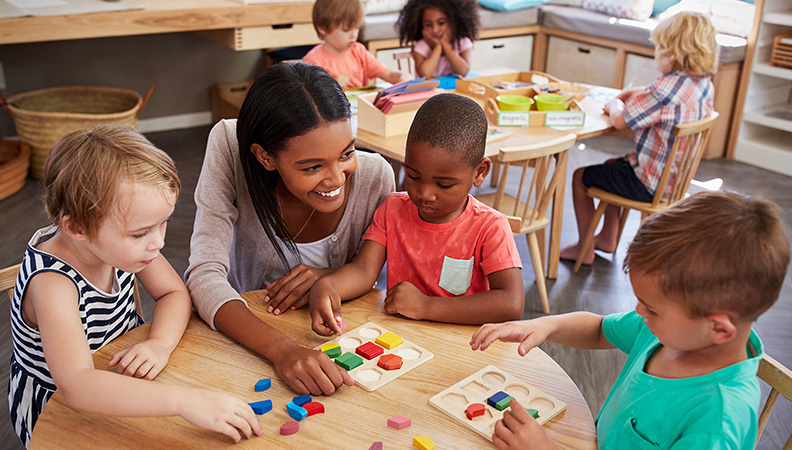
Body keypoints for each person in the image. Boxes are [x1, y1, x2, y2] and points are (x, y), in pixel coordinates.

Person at [471, 191, 791, 449]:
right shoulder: (668, 333)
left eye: (651, 308)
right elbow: (600, 330)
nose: (640, 312)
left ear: (719, 328)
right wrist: (545, 325)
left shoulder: (715, 426)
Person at [8, 124, 262, 448]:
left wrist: (159, 343)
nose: (158, 242)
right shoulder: (52, 284)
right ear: (77, 228)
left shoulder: (117, 244)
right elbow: (77, 385)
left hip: (123, 372)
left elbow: (173, 293)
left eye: (163, 223)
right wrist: (184, 401)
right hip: (58, 409)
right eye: (141, 233)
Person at [185, 62, 395, 395]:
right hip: (248, 336)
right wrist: (282, 351)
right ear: (265, 157)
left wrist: (329, 275)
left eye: (347, 153)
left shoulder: (375, 177)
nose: (337, 179)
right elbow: (204, 275)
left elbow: (376, 280)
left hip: (337, 345)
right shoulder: (230, 145)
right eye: (312, 166)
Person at [309, 93, 524, 336]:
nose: (425, 194)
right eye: (413, 177)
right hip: (402, 338)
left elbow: (511, 303)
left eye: (443, 185)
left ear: (480, 172)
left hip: (462, 344)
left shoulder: (490, 227)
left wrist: (426, 306)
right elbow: (364, 271)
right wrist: (328, 285)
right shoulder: (393, 209)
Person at [560, 11, 718, 265]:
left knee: (581, 177)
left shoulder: (663, 88)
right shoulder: (703, 84)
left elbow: (621, 120)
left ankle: (584, 248)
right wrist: (640, 92)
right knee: (613, 165)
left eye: (659, 48)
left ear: (672, 52)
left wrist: (613, 104)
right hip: (673, 181)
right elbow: (664, 99)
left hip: (647, 184)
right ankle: (608, 238)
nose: (656, 54)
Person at [302, 0, 413, 88]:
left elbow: (389, 75)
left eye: (356, 28)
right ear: (323, 29)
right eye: (346, 30)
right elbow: (309, 98)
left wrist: (402, 77)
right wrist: (331, 85)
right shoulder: (313, 61)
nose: (353, 35)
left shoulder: (358, 51)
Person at [395, 0, 480, 79]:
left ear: (454, 21)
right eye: (428, 24)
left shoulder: (463, 42)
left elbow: (463, 72)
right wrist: (437, 47)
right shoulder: (421, 47)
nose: (435, 30)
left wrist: (446, 45)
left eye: (441, 23)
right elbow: (425, 74)